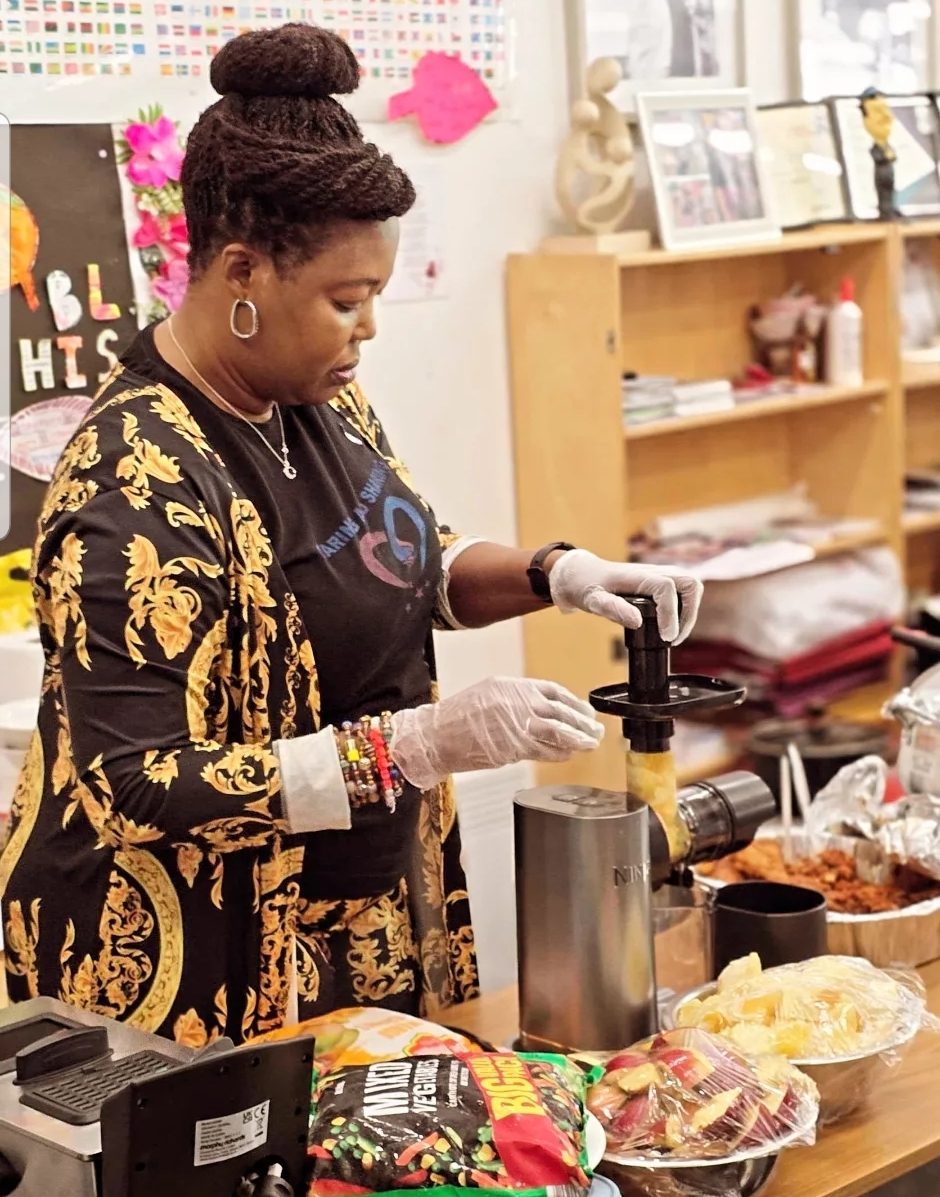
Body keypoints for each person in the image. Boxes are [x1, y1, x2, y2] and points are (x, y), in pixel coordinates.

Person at [0, 24, 703, 1047]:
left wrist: (557, 573)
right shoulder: (132, 480)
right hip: (192, 959)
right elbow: (136, 786)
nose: (368, 330)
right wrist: (415, 745)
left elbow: (397, 560)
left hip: (361, 909)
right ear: (241, 273)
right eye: (346, 300)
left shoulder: (316, 398)